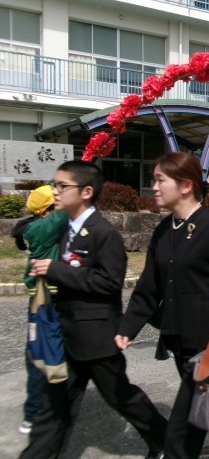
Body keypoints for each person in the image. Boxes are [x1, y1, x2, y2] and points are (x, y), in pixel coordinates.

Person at [115, 152, 209, 459]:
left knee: (182, 431)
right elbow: (149, 287)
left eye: (160, 180)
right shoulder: (164, 230)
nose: (154, 187)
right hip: (180, 339)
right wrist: (126, 329)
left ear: (185, 185)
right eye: (153, 180)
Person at [21, 161, 167, 459]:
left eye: (62, 186)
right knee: (54, 408)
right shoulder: (65, 227)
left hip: (97, 338)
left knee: (121, 397)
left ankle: (165, 441)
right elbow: (26, 232)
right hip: (67, 336)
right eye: (55, 184)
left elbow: (110, 282)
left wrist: (56, 270)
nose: (55, 191)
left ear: (86, 192)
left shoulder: (103, 233)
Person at [11, 185, 67, 435]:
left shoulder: (34, 226)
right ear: (45, 212)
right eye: (56, 203)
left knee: (39, 351)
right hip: (47, 300)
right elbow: (68, 210)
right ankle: (35, 413)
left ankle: (38, 410)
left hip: (41, 298)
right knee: (42, 354)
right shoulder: (44, 228)